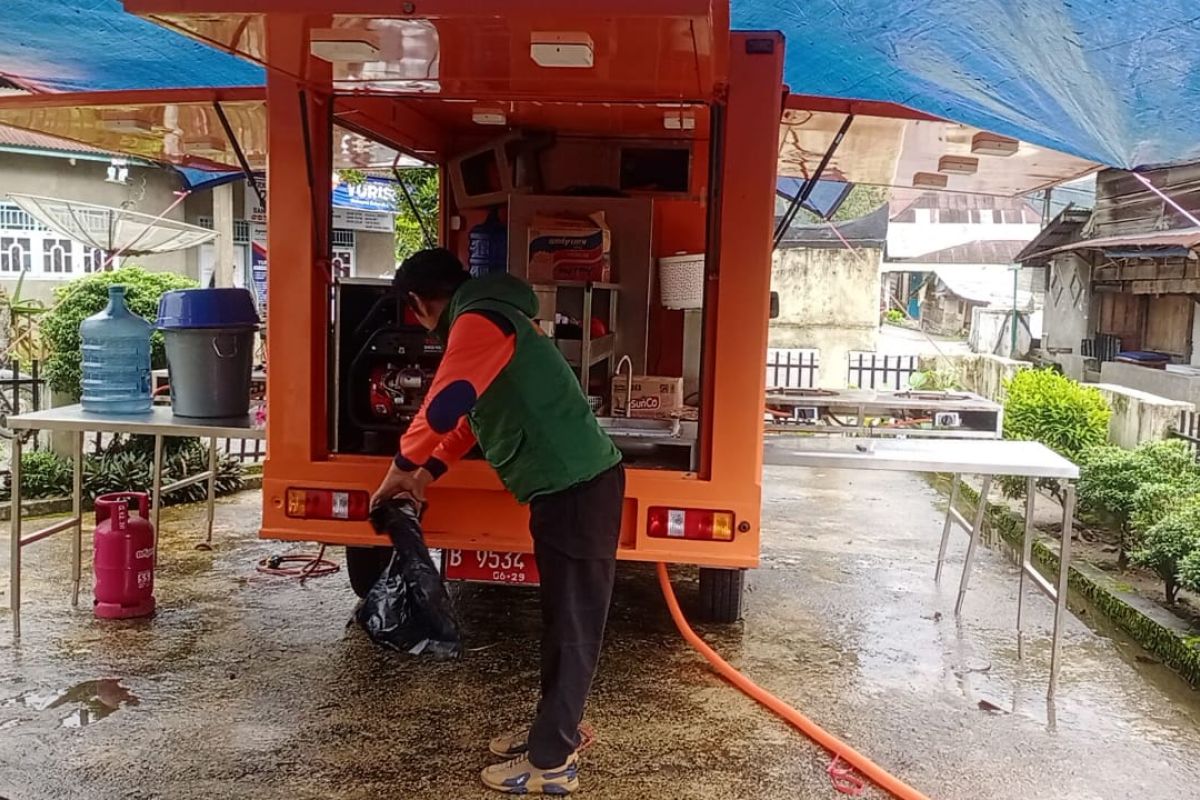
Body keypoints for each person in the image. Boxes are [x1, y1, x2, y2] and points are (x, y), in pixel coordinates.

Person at [372, 248, 624, 795]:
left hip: (577, 488)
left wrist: (400, 468)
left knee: (573, 627)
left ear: (418, 303)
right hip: (567, 487)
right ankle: (552, 733)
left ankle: (552, 763)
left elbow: (446, 403)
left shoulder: (477, 320)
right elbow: (471, 415)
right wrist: (428, 472)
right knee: (561, 620)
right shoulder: (492, 315)